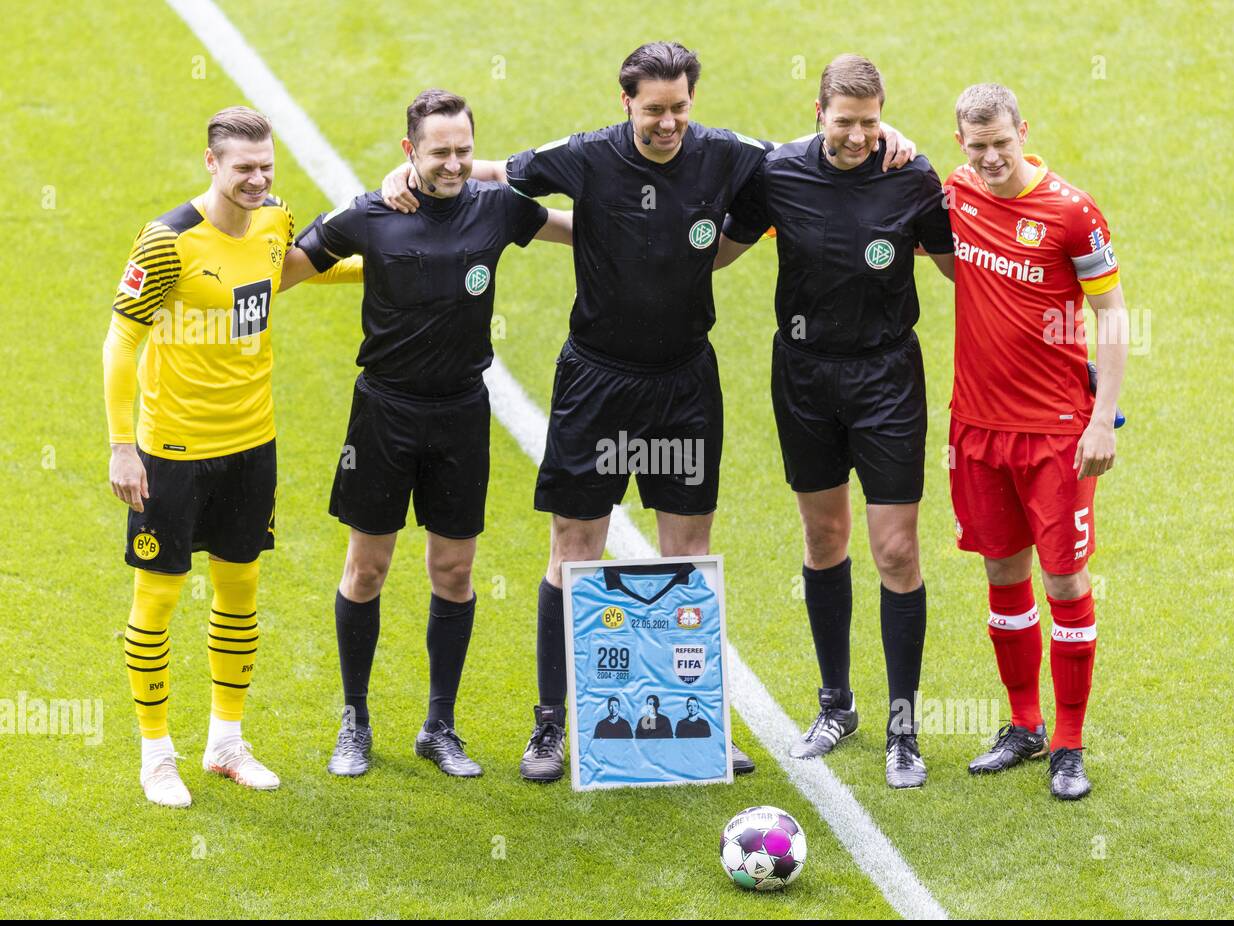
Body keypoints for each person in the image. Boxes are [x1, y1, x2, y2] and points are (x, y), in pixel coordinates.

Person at [383, 42, 916, 783]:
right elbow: (498, 171)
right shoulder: (587, 156)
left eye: (679, 109)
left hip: (684, 385)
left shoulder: (729, 155)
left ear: (693, 103)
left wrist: (886, 136)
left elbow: (815, 154)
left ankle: (692, 724)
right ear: (626, 101)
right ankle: (550, 727)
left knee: (685, 556)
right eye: (654, 109)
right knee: (574, 553)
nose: (668, 123)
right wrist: (408, 172)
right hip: (597, 382)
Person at [291, 89, 573, 778]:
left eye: (463, 150)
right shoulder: (372, 212)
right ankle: (355, 718)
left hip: (460, 415)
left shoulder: (499, 207)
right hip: (382, 413)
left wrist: (660, 218)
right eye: (439, 150)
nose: (452, 163)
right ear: (408, 150)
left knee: (453, 569)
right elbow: (286, 267)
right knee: (368, 567)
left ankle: (439, 725)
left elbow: (580, 228)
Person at [105, 106, 359, 808]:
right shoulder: (167, 242)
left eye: (265, 167)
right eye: (243, 167)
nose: (257, 179)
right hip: (172, 452)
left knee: (239, 592)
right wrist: (123, 446)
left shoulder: (276, 219)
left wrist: (386, 265)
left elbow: (283, 276)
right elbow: (120, 342)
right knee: (157, 596)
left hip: (253, 444)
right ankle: (156, 754)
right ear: (211, 161)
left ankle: (225, 743)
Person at [718, 56, 953, 788]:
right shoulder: (777, 172)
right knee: (824, 537)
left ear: (885, 113)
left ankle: (904, 728)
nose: (857, 136)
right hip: (804, 375)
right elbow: (717, 248)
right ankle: (836, 703)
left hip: (886, 377)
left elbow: (962, 267)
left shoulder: (914, 176)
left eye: (870, 121)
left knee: (895, 551)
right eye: (844, 121)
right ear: (816, 111)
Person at [942, 84, 1127, 799]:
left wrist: (1100, 416)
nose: (990, 158)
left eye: (1002, 144)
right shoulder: (957, 192)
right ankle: (1024, 726)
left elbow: (1111, 314)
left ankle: (1070, 742)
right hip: (978, 429)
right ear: (962, 142)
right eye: (977, 145)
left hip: (1056, 434)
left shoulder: (1072, 214)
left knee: (1064, 581)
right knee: (1002, 575)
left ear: (1025, 131)